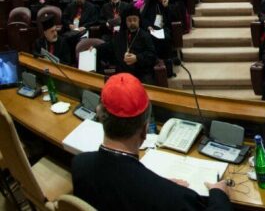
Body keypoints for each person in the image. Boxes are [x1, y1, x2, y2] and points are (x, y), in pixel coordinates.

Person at [72, 73, 230, 210]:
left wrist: (162, 186)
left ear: (100, 117)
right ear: (144, 129)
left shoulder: (79, 164)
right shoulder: (174, 199)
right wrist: (219, 195)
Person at [96, 5, 158, 84]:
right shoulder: (120, 35)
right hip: (123, 72)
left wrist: (137, 58)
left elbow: (152, 54)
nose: (132, 22)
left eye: (135, 20)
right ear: (125, 22)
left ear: (139, 20)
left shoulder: (145, 36)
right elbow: (109, 46)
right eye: (129, 20)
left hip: (141, 72)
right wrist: (94, 48)